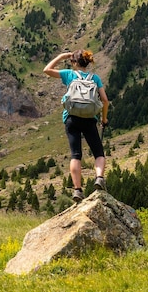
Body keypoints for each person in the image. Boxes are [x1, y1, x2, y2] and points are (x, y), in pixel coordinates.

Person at [43, 49, 110, 202]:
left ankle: (77, 190)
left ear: (73, 62)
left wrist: (62, 55)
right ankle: (99, 178)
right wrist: (103, 119)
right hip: (89, 119)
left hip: (71, 118)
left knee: (75, 154)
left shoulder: (69, 74)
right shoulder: (95, 78)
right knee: (98, 153)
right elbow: (105, 100)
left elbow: (46, 70)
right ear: (87, 62)